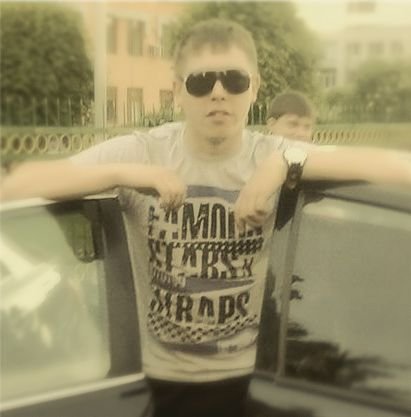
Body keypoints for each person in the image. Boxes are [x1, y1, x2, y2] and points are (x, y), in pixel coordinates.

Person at [1, 18, 411, 417]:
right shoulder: (145, 152)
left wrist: (286, 162)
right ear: (177, 92)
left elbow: (398, 167)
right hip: (164, 388)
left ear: (254, 88)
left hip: (256, 383)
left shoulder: (269, 154)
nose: (218, 93)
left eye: (234, 80)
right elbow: (15, 186)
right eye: (201, 82)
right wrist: (122, 174)